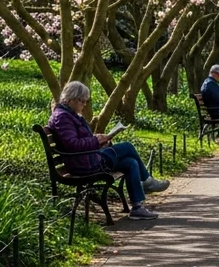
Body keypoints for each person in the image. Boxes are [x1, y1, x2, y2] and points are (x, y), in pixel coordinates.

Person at [47, 81, 168, 221]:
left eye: (86, 101)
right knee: (128, 147)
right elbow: (72, 145)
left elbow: (79, 140)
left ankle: (137, 208)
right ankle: (147, 181)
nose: (84, 105)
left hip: (88, 158)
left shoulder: (70, 114)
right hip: (83, 164)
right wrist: (96, 141)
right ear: (71, 99)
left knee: (131, 163)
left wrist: (101, 140)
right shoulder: (62, 117)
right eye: (82, 101)